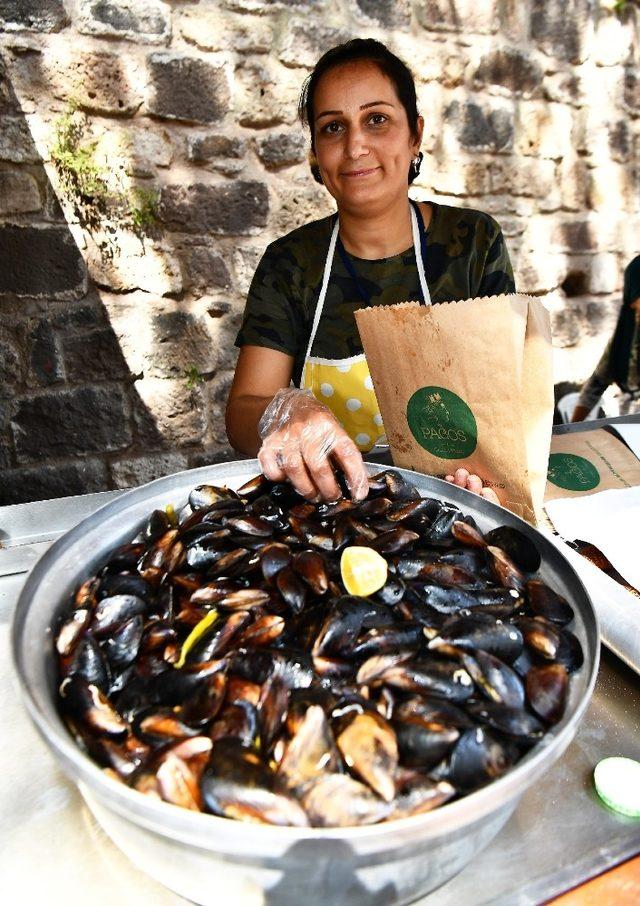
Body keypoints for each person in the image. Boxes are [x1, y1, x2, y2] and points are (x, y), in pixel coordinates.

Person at [226, 39, 515, 504]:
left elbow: (505, 399)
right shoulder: (290, 264)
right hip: (323, 511)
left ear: (414, 135)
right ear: (317, 153)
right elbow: (243, 412)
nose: (355, 146)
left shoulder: (473, 243)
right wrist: (286, 411)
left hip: (446, 504)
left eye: (376, 120)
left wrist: (488, 471)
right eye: (333, 127)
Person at [571, 255, 640, 422]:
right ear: (631, 299)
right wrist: (570, 429)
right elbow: (596, 384)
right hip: (629, 427)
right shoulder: (625, 334)